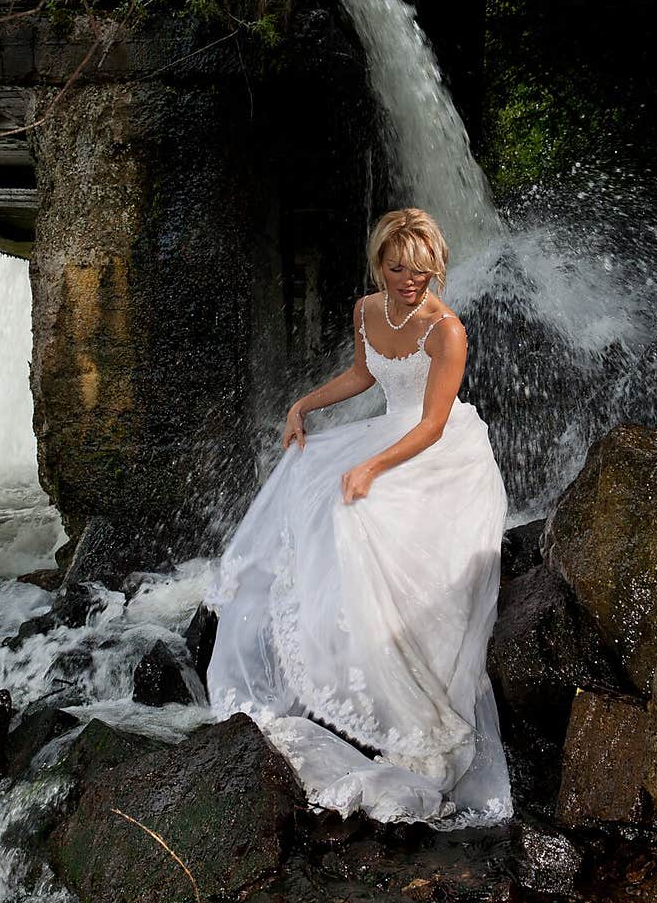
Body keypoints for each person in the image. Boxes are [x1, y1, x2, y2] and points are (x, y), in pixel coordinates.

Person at [203, 208, 513, 828]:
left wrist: (371, 468)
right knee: (310, 480)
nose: (410, 281)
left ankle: (401, 688)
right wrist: (303, 404)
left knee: (355, 513)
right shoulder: (367, 310)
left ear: (437, 268)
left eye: (422, 270)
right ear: (378, 266)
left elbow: (430, 423)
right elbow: (363, 375)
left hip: (441, 451)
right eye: (397, 269)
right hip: (391, 431)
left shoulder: (448, 331)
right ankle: (331, 655)